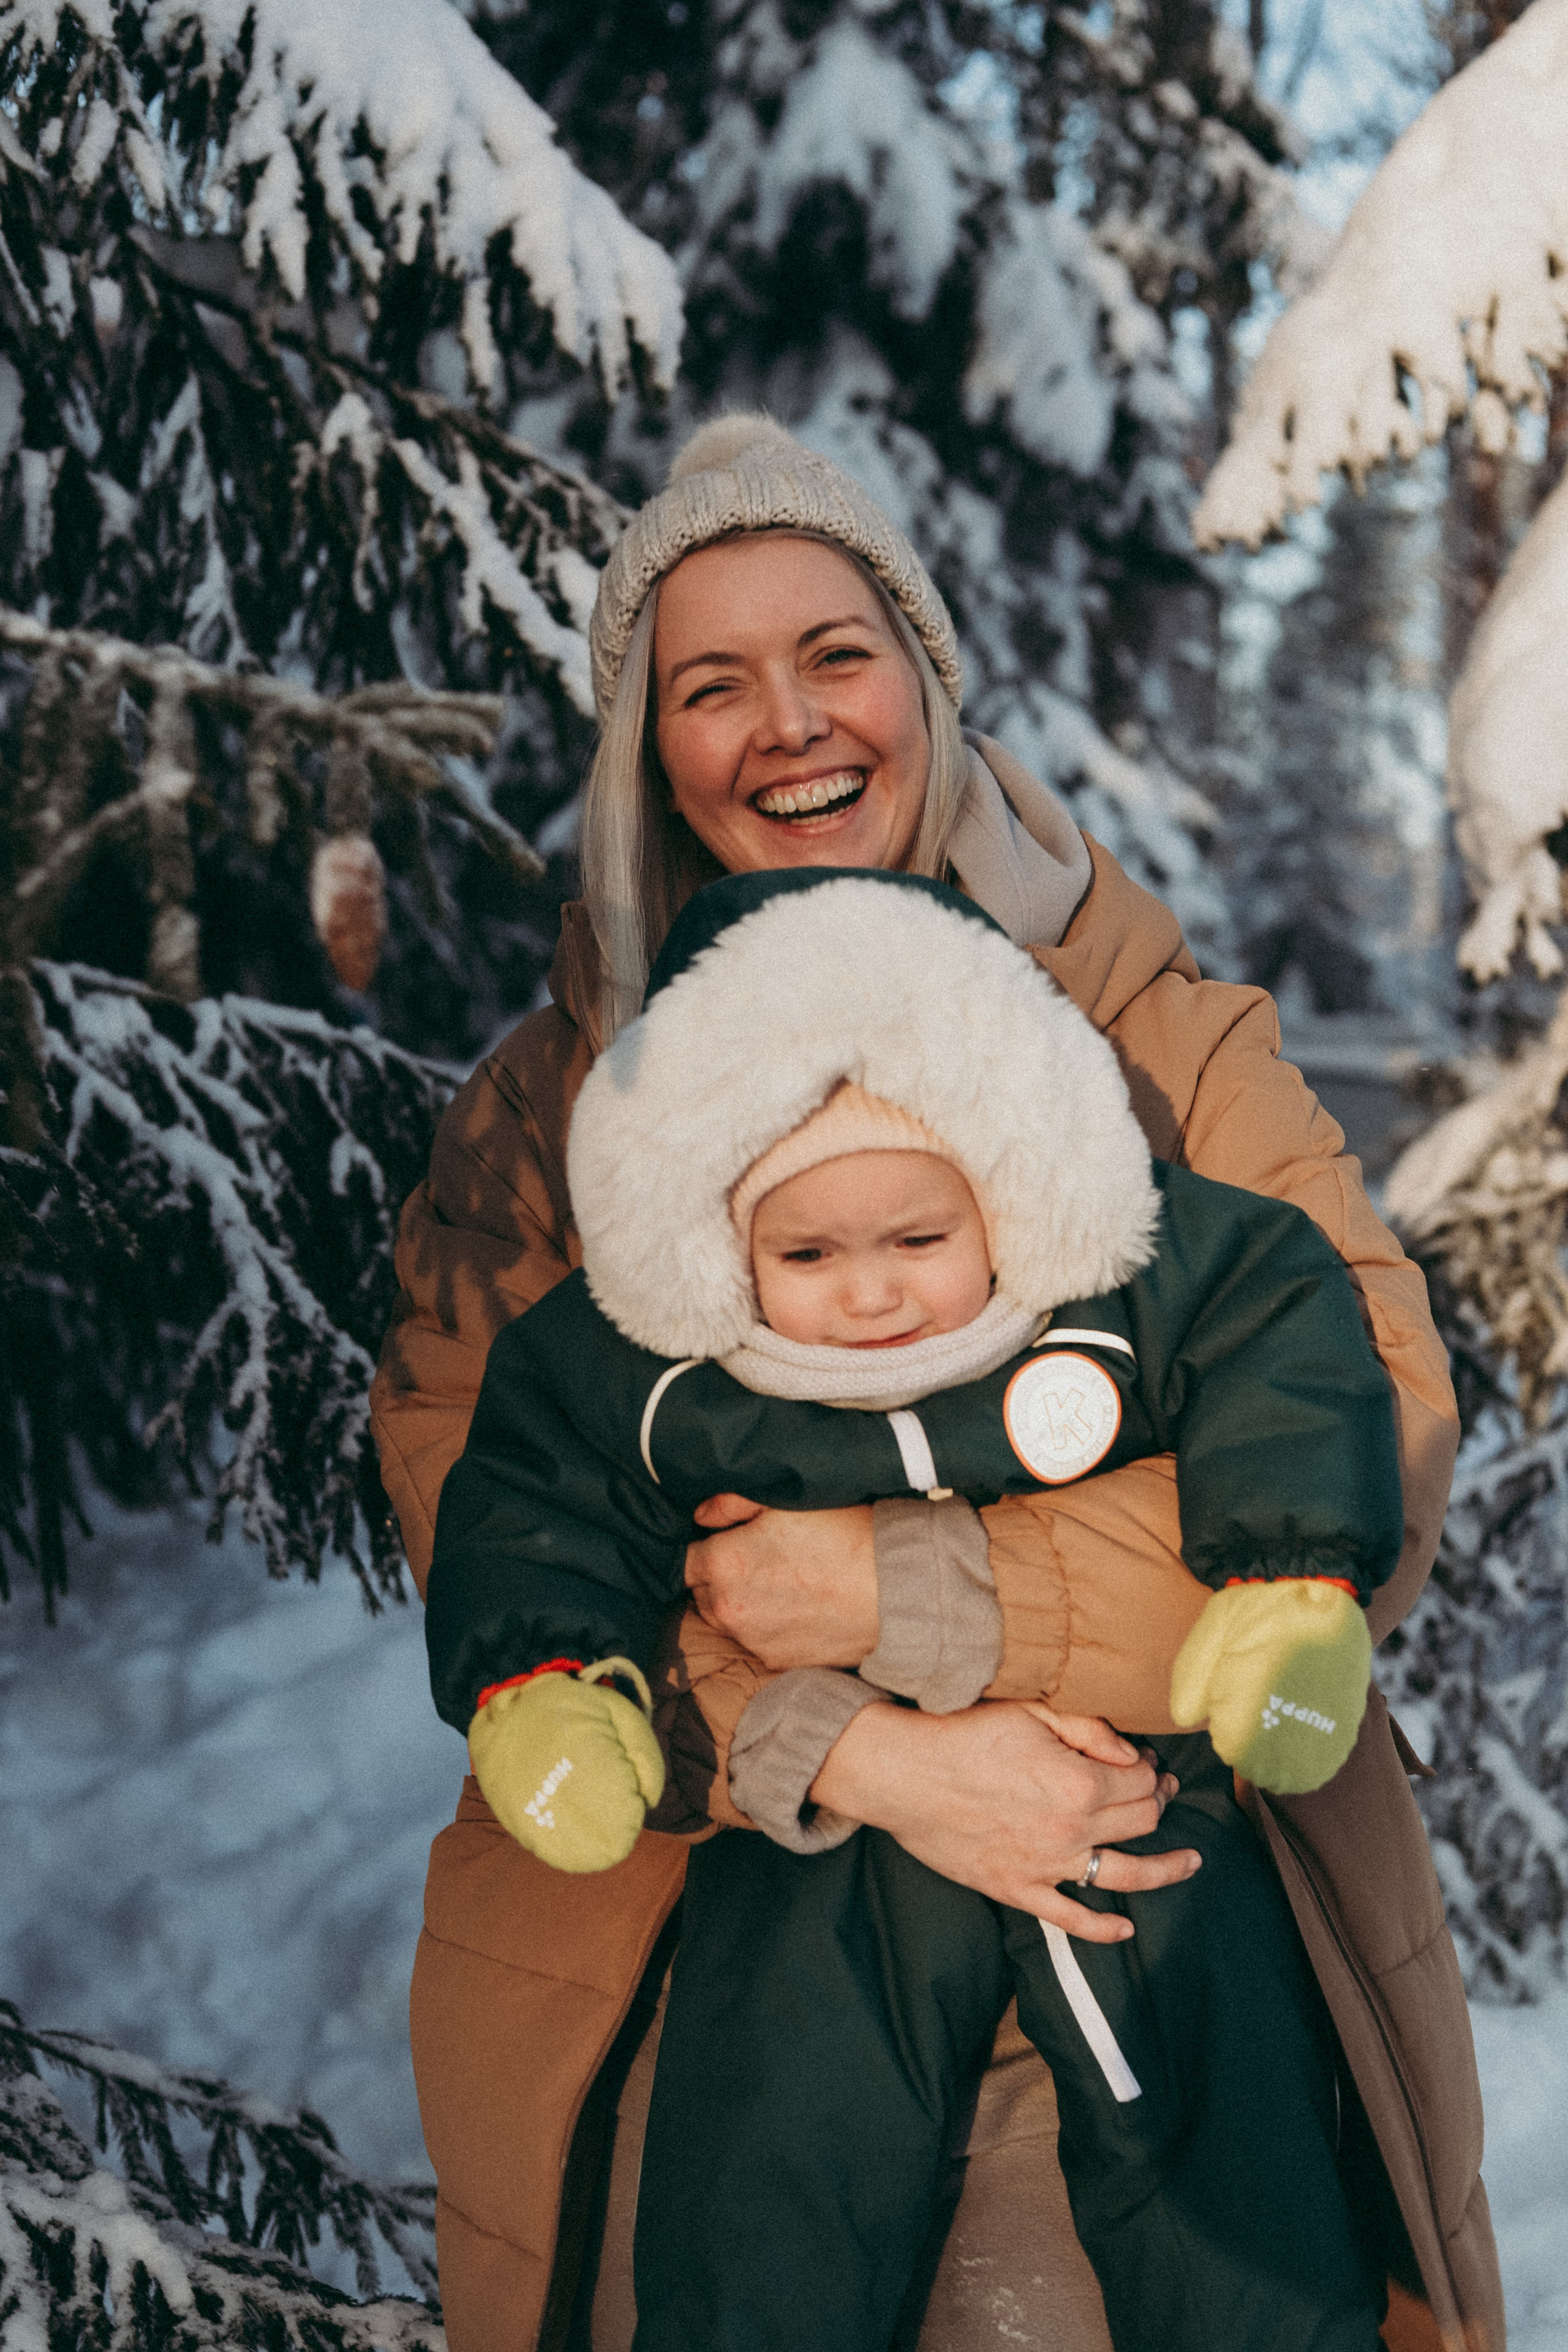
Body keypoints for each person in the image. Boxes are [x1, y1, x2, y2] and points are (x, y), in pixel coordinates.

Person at [371, 413, 1500, 2352]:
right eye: (712, 685)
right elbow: (500, 1528)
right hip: (697, 1950)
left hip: (1153, 1892)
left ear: (927, 677)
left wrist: (921, 1598)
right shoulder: (543, 1128)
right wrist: (870, 1756)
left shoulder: (1163, 1043)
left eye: (838, 653)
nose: (790, 724)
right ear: (649, 750)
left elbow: (1368, 1424)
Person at [424, 862, 1408, 2351]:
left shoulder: (1099, 1289)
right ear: (720, 1243)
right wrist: (544, 1679)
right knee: (779, 2135)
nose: (872, 1297)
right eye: (807, 1255)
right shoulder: (668, 1378)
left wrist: (1287, 1572)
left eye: (917, 1242)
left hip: (1119, 1775)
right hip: (823, 1833)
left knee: (1218, 2110)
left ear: (1001, 1199)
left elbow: (1276, 1326)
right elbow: (530, 1492)